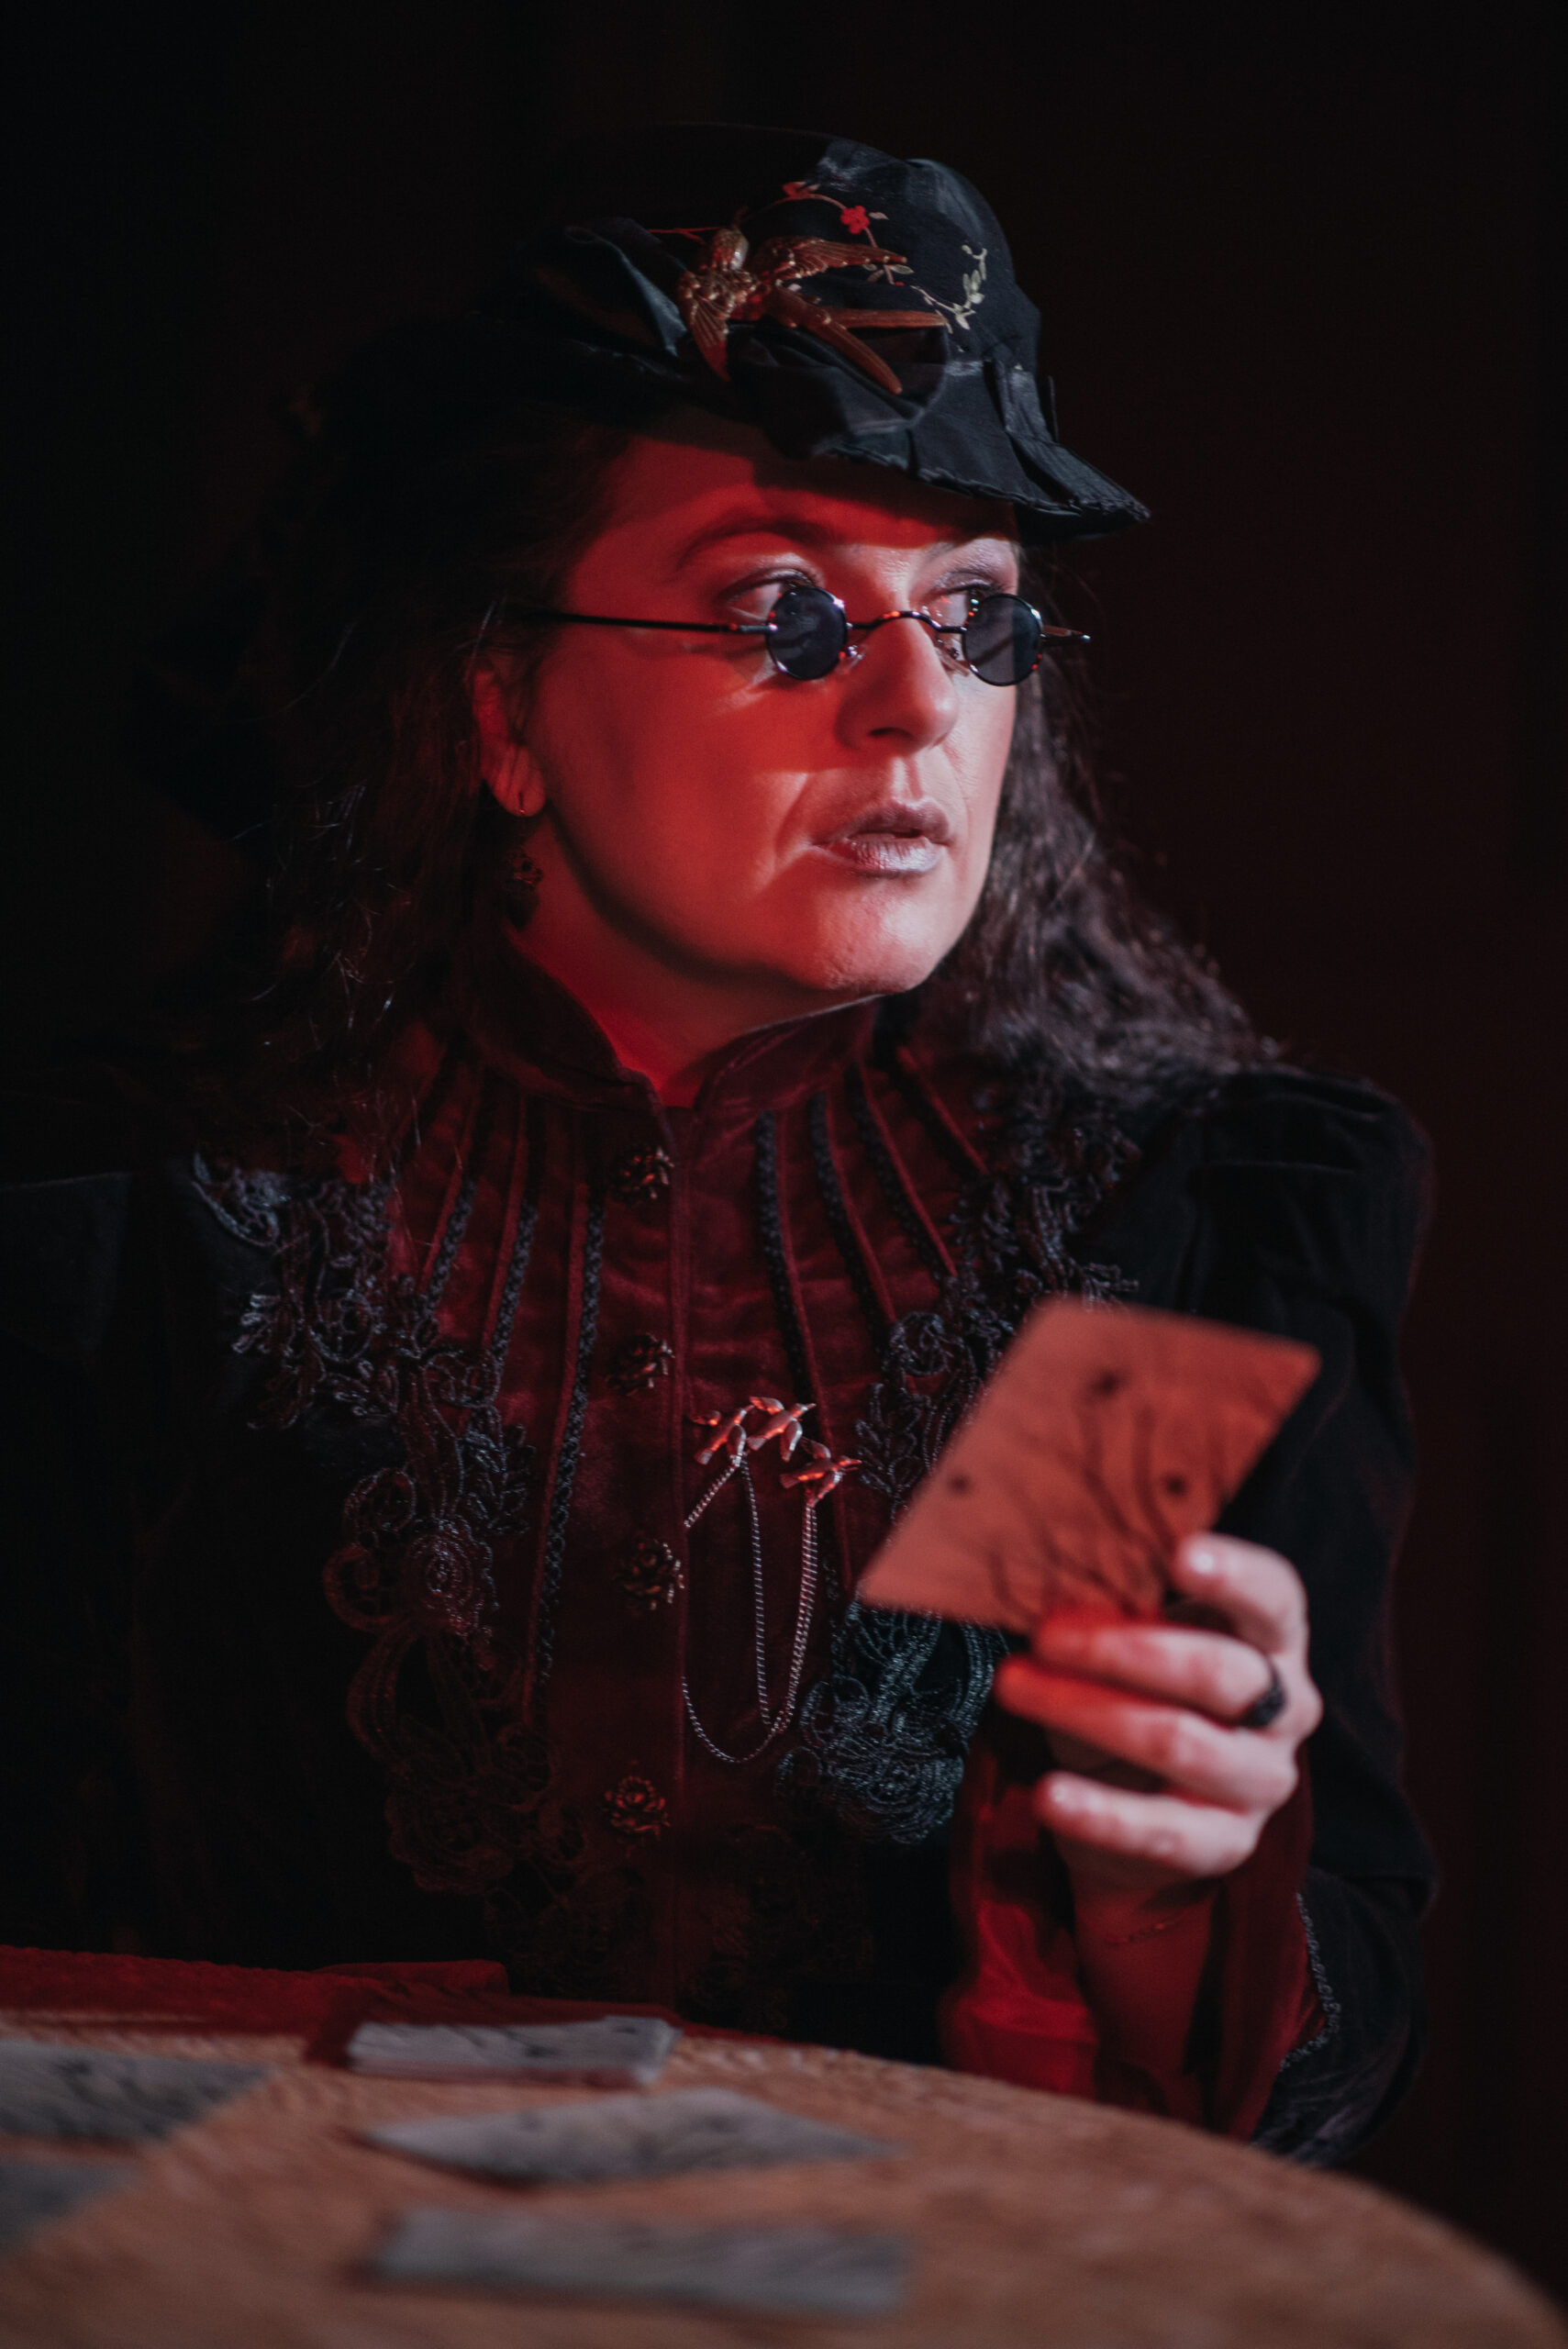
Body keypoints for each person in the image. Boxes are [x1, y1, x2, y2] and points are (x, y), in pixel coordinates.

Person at [0, 124, 1433, 2162]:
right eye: (785, 611)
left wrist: (1164, 1894)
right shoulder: (141, 1219)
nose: (917, 704)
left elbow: (1280, 2062)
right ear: (500, 710)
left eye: (980, 616)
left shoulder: (1145, 1236)